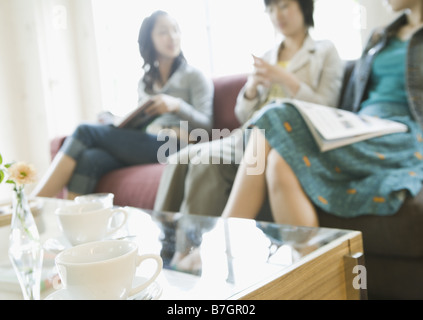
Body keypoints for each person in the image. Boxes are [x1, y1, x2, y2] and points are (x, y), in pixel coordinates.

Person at [222, 0, 423, 227]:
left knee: (273, 115)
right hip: (364, 126)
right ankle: (313, 258)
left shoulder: (325, 49)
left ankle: (226, 235)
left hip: (405, 133)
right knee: (279, 162)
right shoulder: (380, 37)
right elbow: (353, 98)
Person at [154, 0, 344, 218]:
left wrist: (285, 79)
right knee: (179, 158)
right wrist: (251, 89)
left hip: (284, 136)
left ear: (304, 6)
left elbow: (327, 107)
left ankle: (191, 245)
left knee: (206, 161)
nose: (277, 15)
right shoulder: (267, 56)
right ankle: (165, 241)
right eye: (271, 9)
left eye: (283, 6)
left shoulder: (324, 50)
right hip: (249, 133)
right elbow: (242, 115)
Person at [31, 11, 214, 199]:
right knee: (89, 159)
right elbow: (144, 125)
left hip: (175, 146)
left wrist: (177, 106)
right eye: (163, 32)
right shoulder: (145, 83)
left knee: (85, 131)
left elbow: (207, 126)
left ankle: (36, 202)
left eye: (175, 30)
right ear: (149, 39)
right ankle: (72, 224)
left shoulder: (195, 77)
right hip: (147, 142)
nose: (172, 37)